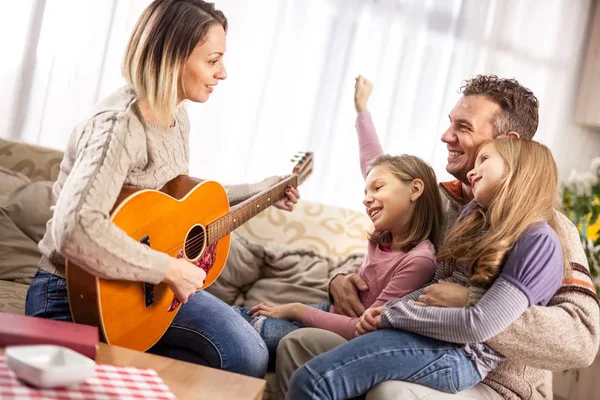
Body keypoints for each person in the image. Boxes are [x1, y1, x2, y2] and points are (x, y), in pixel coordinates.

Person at [275, 75, 599, 399]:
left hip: (494, 383)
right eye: (449, 124)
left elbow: (582, 341)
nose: (446, 136)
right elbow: (391, 254)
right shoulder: (441, 204)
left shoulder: (542, 227)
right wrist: (341, 279)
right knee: (298, 346)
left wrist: (470, 302)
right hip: (418, 341)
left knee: (390, 393)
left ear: (508, 142)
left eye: (464, 127)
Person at [24, 0, 300, 378]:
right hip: (72, 296)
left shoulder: (176, 114)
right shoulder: (119, 127)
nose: (224, 73)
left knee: (247, 355)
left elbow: (176, 202)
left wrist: (258, 191)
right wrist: (169, 267)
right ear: (173, 56)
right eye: (213, 60)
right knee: (239, 356)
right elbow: (74, 229)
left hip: (139, 288)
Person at [287, 137, 566, 398]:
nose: (472, 170)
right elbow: (434, 291)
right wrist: (384, 311)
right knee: (302, 357)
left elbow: (478, 325)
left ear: (519, 168)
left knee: (313, 381)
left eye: (484, 159)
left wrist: (392, 316)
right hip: (423, 337)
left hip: (459, 356)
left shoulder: (538, 240)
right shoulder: (475, 218)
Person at [237, 150, 443, 366]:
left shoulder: (419, 261)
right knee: (247, 315)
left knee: (257, 330)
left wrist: (296, 310)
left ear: (415, 189)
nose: (366, 199)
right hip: (329, 313)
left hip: (347, 338)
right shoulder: (382, 239)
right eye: (365, 192)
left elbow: (366, 329)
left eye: (378, 187)